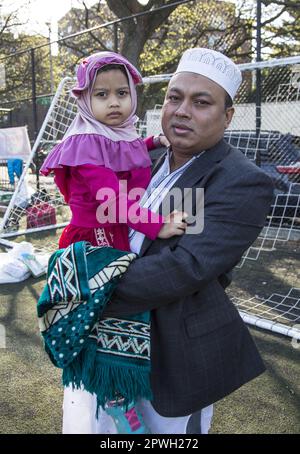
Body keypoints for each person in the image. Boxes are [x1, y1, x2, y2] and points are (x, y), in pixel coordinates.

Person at [90, 47, 273, 434]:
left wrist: (88, 287)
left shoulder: (239, 180)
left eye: (201, 102)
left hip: (171, 354)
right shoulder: (146, 160)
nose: (182, 110)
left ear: (227, 117)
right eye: (175, 97)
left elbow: (183, 267)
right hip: (109, 343)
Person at [40, 51, 187, 434]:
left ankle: (118, 400)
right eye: (101, 95)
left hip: (119, 237)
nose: (114, 102)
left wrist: (156, 139)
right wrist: (158, 226)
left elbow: (130, 151)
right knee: (102, 324)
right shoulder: (85, 144)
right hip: (93, 242)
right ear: (85, 100)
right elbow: (109, 198)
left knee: (121, 318)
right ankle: (115, 404)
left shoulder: (121, 135)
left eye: (122, 92)